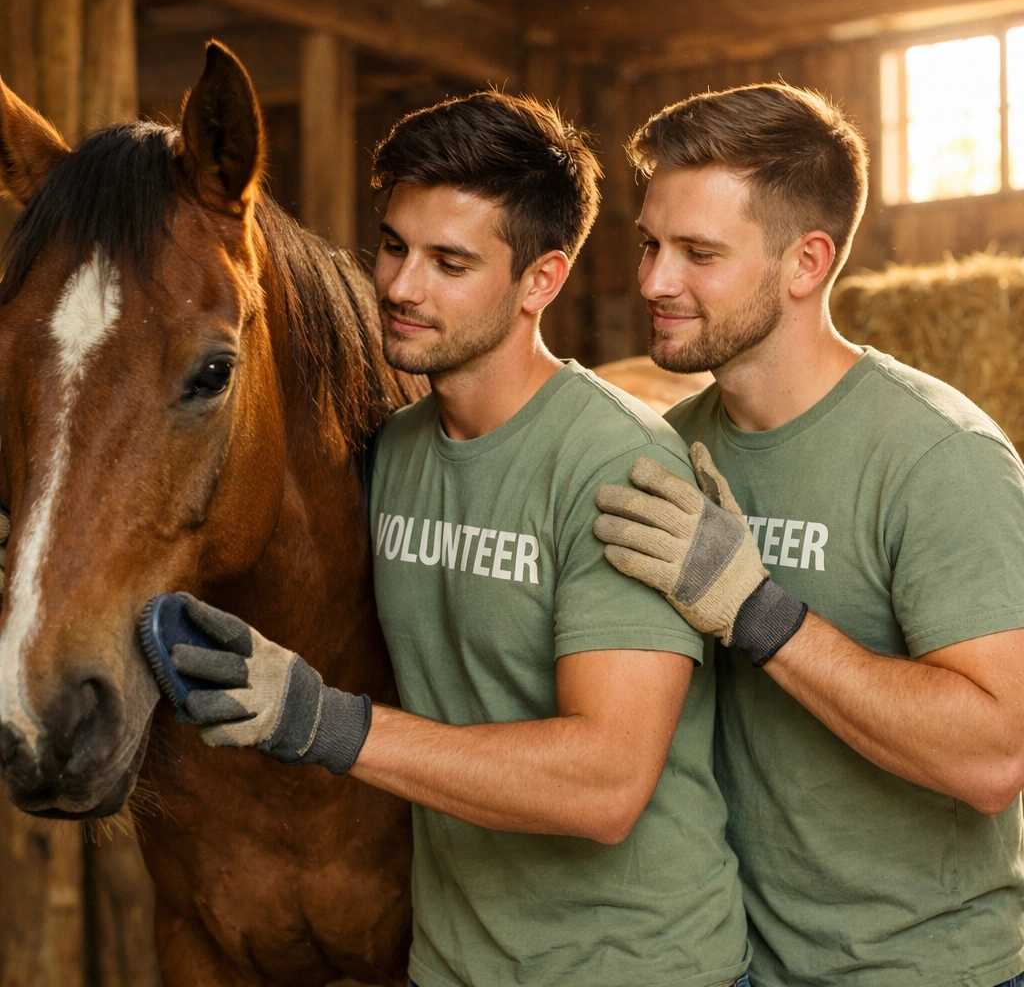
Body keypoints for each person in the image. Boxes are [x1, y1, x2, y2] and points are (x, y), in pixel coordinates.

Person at [144, 92, 751, 987]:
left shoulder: (614, 465)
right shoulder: (390, 452)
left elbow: (605, 784)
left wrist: (322, 722)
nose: (397, 285)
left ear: (539, 281)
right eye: (393, 245)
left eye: (449, 262)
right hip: (453, 967)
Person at [593, 82, 1024, 987]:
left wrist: (757, 611)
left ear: (806, 262)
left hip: (922, 971)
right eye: (650, 244)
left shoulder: (939, 457)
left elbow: (995, 757)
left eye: (698, 253)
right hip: (736, 961)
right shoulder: (670, 448)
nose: (652, 282)